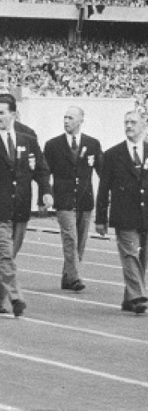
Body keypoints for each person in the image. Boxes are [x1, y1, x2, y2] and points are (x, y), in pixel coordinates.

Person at [95, 110, 148, 314]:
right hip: (124, 215)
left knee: (142, 259)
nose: (129, 126)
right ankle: (139, 296)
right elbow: (104, 188)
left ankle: (129, 297)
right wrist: (100, 218)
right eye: (126, 122)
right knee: (130, 255)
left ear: (143, 126)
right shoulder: (113, 155)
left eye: (133, 122)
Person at [0, 93, 52, 316]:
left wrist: (46, 193)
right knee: (5, 254)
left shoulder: (27, 139)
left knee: (10, 255)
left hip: (20, 207)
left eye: (2, 112)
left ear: (13, 114)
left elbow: (41, 169)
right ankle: (16, 297)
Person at [44, 106, 103, 292]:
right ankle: (75, 277)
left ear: (80, 121)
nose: (66, 121)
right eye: (65, 117)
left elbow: (103, 172)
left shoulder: (92, 144)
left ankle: (67, 277)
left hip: (85, 200)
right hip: (64, 200)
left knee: (80, 242)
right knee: (70, 238)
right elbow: (44, 173)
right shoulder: (53, 145)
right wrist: (45, 195)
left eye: (70, 117)